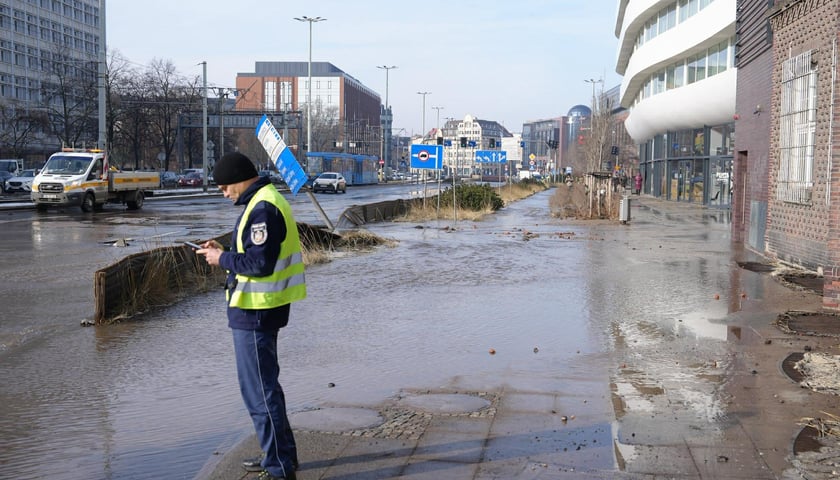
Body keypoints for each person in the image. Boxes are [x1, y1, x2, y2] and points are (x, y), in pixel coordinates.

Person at [196, 152, 305, 480]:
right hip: (260, 308)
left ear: (240, 179)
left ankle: (279, 467)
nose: (224, 193)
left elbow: (259, 264)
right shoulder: (262, 201)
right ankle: (280, 455)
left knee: (259, 392)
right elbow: (254, 254)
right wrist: (225, 251)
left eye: (224, 186)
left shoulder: (262, 207)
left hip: (257, 310)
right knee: (265, 386)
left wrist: (221, 259)